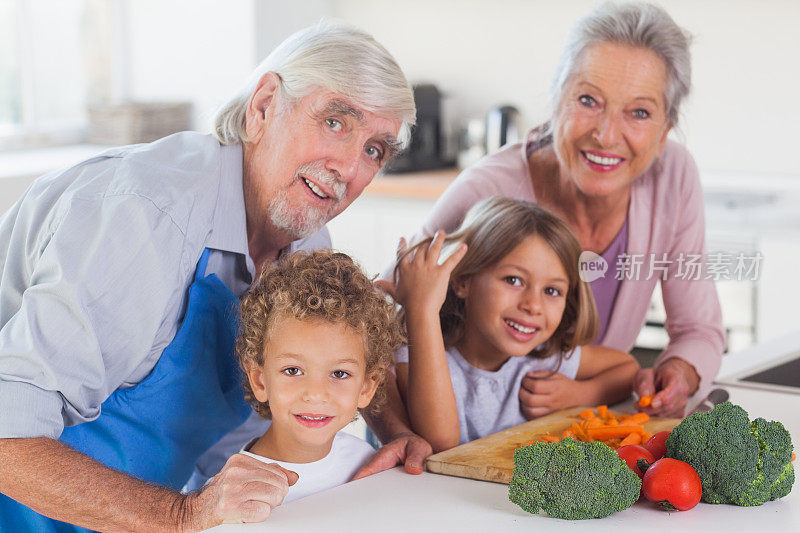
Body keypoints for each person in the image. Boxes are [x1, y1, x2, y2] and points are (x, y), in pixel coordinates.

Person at [0, 21, 425, 532]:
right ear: (265, 105)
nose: (349, 168)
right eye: (335, 122)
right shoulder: (147, 218)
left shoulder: (304, 240)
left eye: (374, 150)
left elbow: (324, 365)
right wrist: (184, 515)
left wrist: (393, 431)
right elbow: (7, 436)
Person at [394, 3, 724, 419]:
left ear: (664, 132)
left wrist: (679, 372)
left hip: (558, 440)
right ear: (556, 101)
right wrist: (401, 435)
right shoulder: (486, 192)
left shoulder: (672, 176)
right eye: (588, 100)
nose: (606, 136)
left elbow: (698, 330)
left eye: (639, 112)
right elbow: (387, 319)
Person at [392, 197, 639, 451]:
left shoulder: (543, 358)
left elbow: (628, 369)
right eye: (513, 280)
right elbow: (441, 440)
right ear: (463, 281)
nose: (533, 305)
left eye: (552, 291)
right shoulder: (418, 353)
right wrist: (422, 308)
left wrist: (581, 394)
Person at [184, 250, 403, 503]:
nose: (315, 393)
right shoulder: (228, 496)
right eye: (293, 370)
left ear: (366, 387)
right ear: (259, 380)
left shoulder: (369, 465)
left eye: (339, 373)